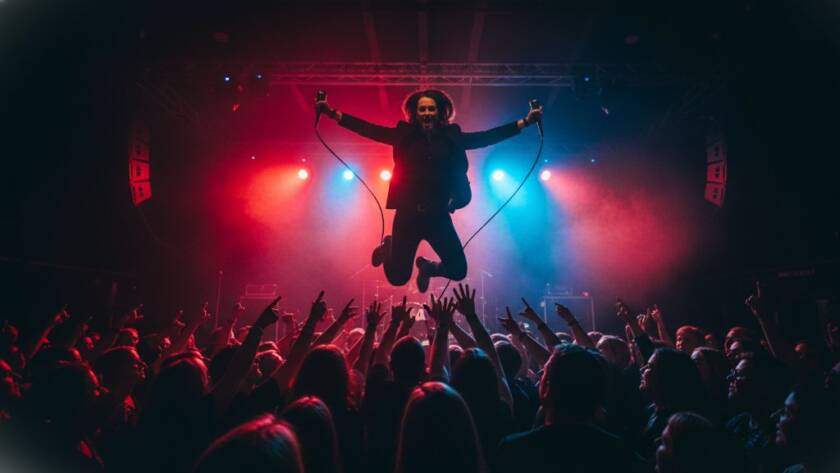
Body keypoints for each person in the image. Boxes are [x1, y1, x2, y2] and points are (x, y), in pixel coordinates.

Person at [316, 89, 543, 292]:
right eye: (422, 109)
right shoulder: (403, 134)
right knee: (397, 278)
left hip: (438, 215)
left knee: (457, 270)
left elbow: (484, 137)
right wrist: (333, 113)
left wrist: (524, 122)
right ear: (415, 113)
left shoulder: (452, 136)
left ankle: (428, 268)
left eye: (431, 109)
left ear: (440, 112)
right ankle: (389, 248)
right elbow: (369, 129)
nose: (426, 113)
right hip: (407, 215)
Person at [495, 344, 645, 473]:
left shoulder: (515, 452)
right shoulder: (620, 454)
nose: (539, 378)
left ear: (546, 389)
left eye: (544, 374)